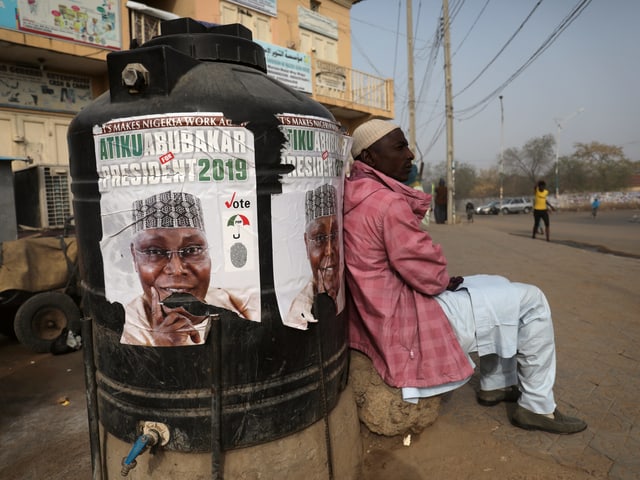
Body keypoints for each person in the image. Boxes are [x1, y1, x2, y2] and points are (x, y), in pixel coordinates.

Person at [343, 119, 587, 434]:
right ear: (370, 158)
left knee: (497, 283)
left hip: (380, 313)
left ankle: (496, 385)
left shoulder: (357, 193)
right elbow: (431, 276)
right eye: (399, 147)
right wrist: (439, 272)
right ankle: (537, 407)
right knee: (533, 299)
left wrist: (441, 277)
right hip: (406, 321)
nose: (410, 156)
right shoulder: (387, 203)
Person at [122, 190, 253, 346]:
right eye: (154, 252)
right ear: (134, 257)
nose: (177, 269)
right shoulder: (127, 327)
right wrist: (164, 349)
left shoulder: (241, 304)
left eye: (192, 250)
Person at [284, 184, 341, 329]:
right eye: (320, 238)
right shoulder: (298, 312)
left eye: (334, 235)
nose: (329, 250)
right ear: (306, 243)